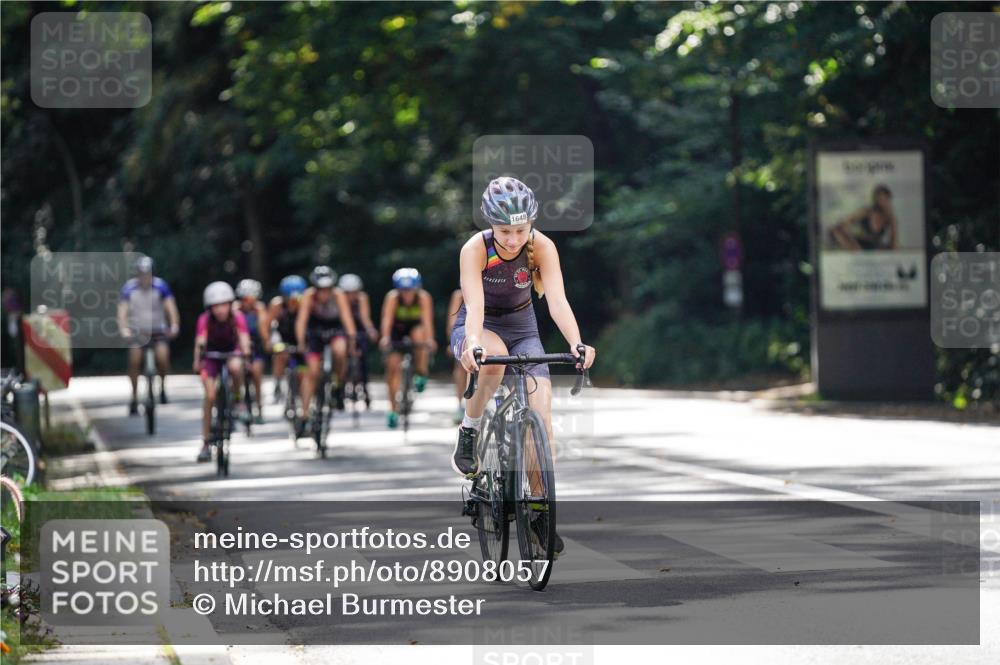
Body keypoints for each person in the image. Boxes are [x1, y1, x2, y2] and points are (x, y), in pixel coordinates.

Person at [451, 176, 596, 554]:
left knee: (541, 418)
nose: (514, 239)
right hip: (481, 324)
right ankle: (470, 429)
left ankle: (538, 511)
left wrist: (576, 343)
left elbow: (558, 301)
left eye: (520, 230)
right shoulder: (476, 248)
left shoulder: (542, 246)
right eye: (504, 231)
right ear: (490, 225)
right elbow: (475, 307)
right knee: (494, 366)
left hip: (523, 326)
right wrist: (474, 344)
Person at [193, 281, 251, 463]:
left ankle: (237, 400)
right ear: (210, 307)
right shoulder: (205, 319)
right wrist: (197, 361)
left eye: (224, 304)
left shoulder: (238, 317)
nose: (220, 310)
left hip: (231, 352)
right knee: (209, 396)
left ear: (230, 304)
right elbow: (200, 341)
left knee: (235, 366)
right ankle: (205, 442)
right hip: (211, 355)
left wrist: (246, 353)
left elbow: (244, 338)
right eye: (216, 306)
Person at [117, 256, 180, 415]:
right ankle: (134, 397)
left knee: (163, 358)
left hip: (158, 331)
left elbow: (171, 308)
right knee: (134, 360)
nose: (145, 277)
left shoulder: (161, 286)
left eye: (147, 273)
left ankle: (162, 387)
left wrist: (174, 325)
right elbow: (122, 312)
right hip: (138, 332)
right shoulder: (129, 288)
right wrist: (124, 329)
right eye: (142, 273)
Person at [296, 266, 357, 421]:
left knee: (340, 349)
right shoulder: (309, 296)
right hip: (315, 332)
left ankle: (338, 383)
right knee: (312, 372)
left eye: (327, 289)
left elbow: (347, 319)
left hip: (334, 330)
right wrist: (301, 342)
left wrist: (352, 341)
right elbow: (301, 321)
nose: (324, 293)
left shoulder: (338, 295)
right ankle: (304, 414)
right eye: (320, 289)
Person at [379, 268, 436, 429]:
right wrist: (385, 338)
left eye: (410, 290)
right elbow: (387, 320)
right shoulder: (392, 298)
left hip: (416, 328)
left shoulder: (423, 298)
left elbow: (427, 321)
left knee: (420, 337)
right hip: (397, 330)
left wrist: (430, 340)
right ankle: (392, 410)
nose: (407, 294)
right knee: (392, 368)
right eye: (403, 291)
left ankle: (421, 372)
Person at [338, 273, 379, 407]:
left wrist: (370, 330)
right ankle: (340, 387)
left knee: (362, 359)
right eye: (347, 293)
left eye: (353, 292)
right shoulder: (339, 299)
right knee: (340, 353)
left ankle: (365, 388)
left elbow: (365, 317)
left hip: (359, 330)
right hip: (342, 330)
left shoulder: (362, 299)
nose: (351, 296)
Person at [235, 279, 270, 424]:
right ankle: (238, 402)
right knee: (237, 371)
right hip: (238, 347)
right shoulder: (234, 309)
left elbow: (264, 332)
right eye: (244, 299)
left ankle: (259, 408)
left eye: (251, 298)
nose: (247, 302)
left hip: (256, 347)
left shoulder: (260, 309)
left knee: (256, 373)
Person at [269, 274, 307, 403]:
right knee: (280, 353)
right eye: (290, 298)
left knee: (304, 368)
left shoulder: (305, 305)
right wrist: (269, 341)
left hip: (301, 338)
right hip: (282, 337)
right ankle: (278, 383)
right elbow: (269, 325)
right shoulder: (277, 305)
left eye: (296, 298)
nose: (293, 301)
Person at [828, 184, 899, 251]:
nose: (880, 201)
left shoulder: (890, 217)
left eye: (884, 198)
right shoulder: (867, 211)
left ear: (888, 199)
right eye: (878, 197)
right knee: (835, 230)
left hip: (875, 247)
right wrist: (847, 231)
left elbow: (894, 242)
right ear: (875, 199)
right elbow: (847, 221)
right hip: (859, 244)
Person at [446, 289, 466, 424]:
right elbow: (453, 321)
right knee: (460, 365)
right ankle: (460, 405)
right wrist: (453, 342)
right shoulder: (459, 296)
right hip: (463, 333)